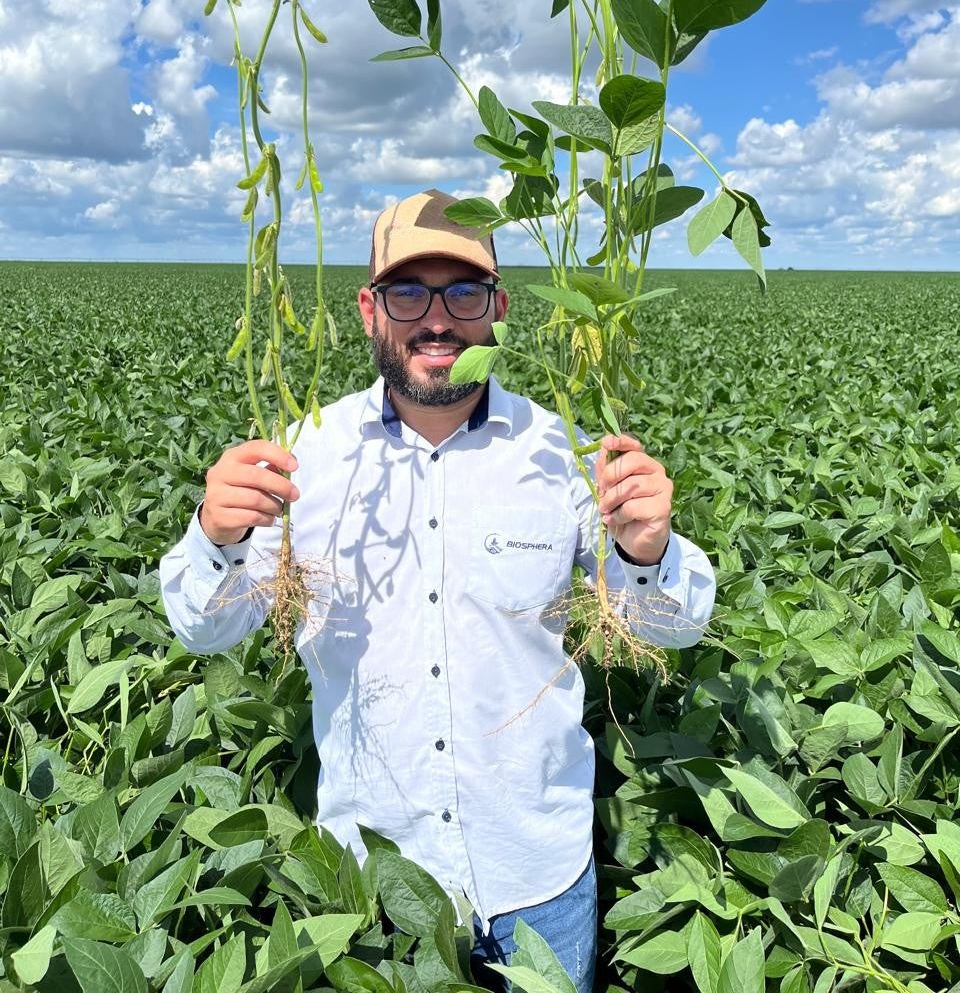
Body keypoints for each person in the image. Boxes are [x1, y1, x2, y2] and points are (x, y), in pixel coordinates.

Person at [160, 187, 715, 992]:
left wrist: (648, 553)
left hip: (539, 881)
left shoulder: (564, 446)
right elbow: (202, 630)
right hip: (374, 888)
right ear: (367, 308)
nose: (436, 318)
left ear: (498, 307)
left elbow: (674, 626)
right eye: (408, 291)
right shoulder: (302, 451)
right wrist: (217, 536)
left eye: (463, 292)